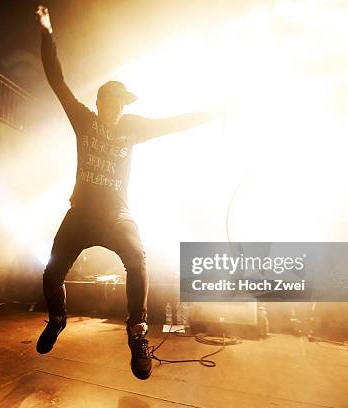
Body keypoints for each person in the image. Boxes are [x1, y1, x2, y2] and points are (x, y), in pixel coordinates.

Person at [34, 5, 220, 380]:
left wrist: (214, 112)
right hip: (81, 214)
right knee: (51, 275)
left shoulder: (132, 127)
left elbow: (173, 123)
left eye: (123, 104)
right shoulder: (84, 119)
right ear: (101, 102)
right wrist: (47, 34)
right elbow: (57, 81)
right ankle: (57, 319)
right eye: (113, 102)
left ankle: (137, 333)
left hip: (116, 213)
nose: (118, 109)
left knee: (136, 258)